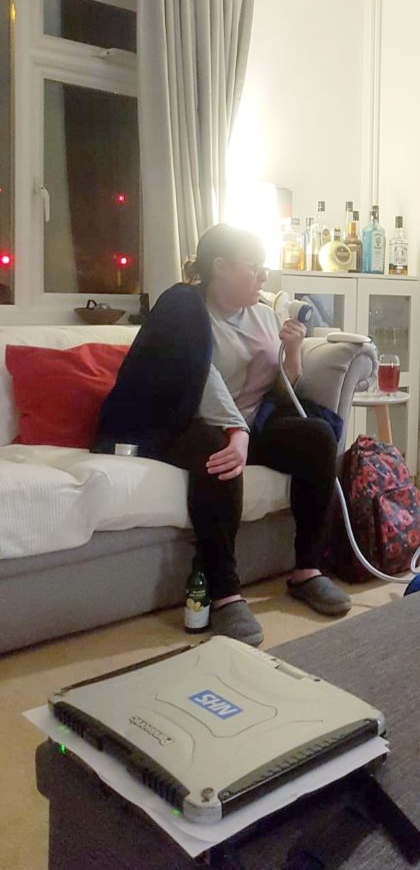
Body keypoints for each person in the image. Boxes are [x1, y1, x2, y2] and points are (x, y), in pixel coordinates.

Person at [95, 224, 352, 645]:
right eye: (253, 268)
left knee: (317, 437)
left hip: (250, 424)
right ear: (219, 267)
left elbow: (281, 387)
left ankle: (307, 570)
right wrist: (236, 433)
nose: (263, 277)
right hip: (191, 422)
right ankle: (224, 594)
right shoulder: (185, 309)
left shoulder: (265, 314)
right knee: (218, 454)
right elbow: (203, 379)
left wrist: (291, 352)